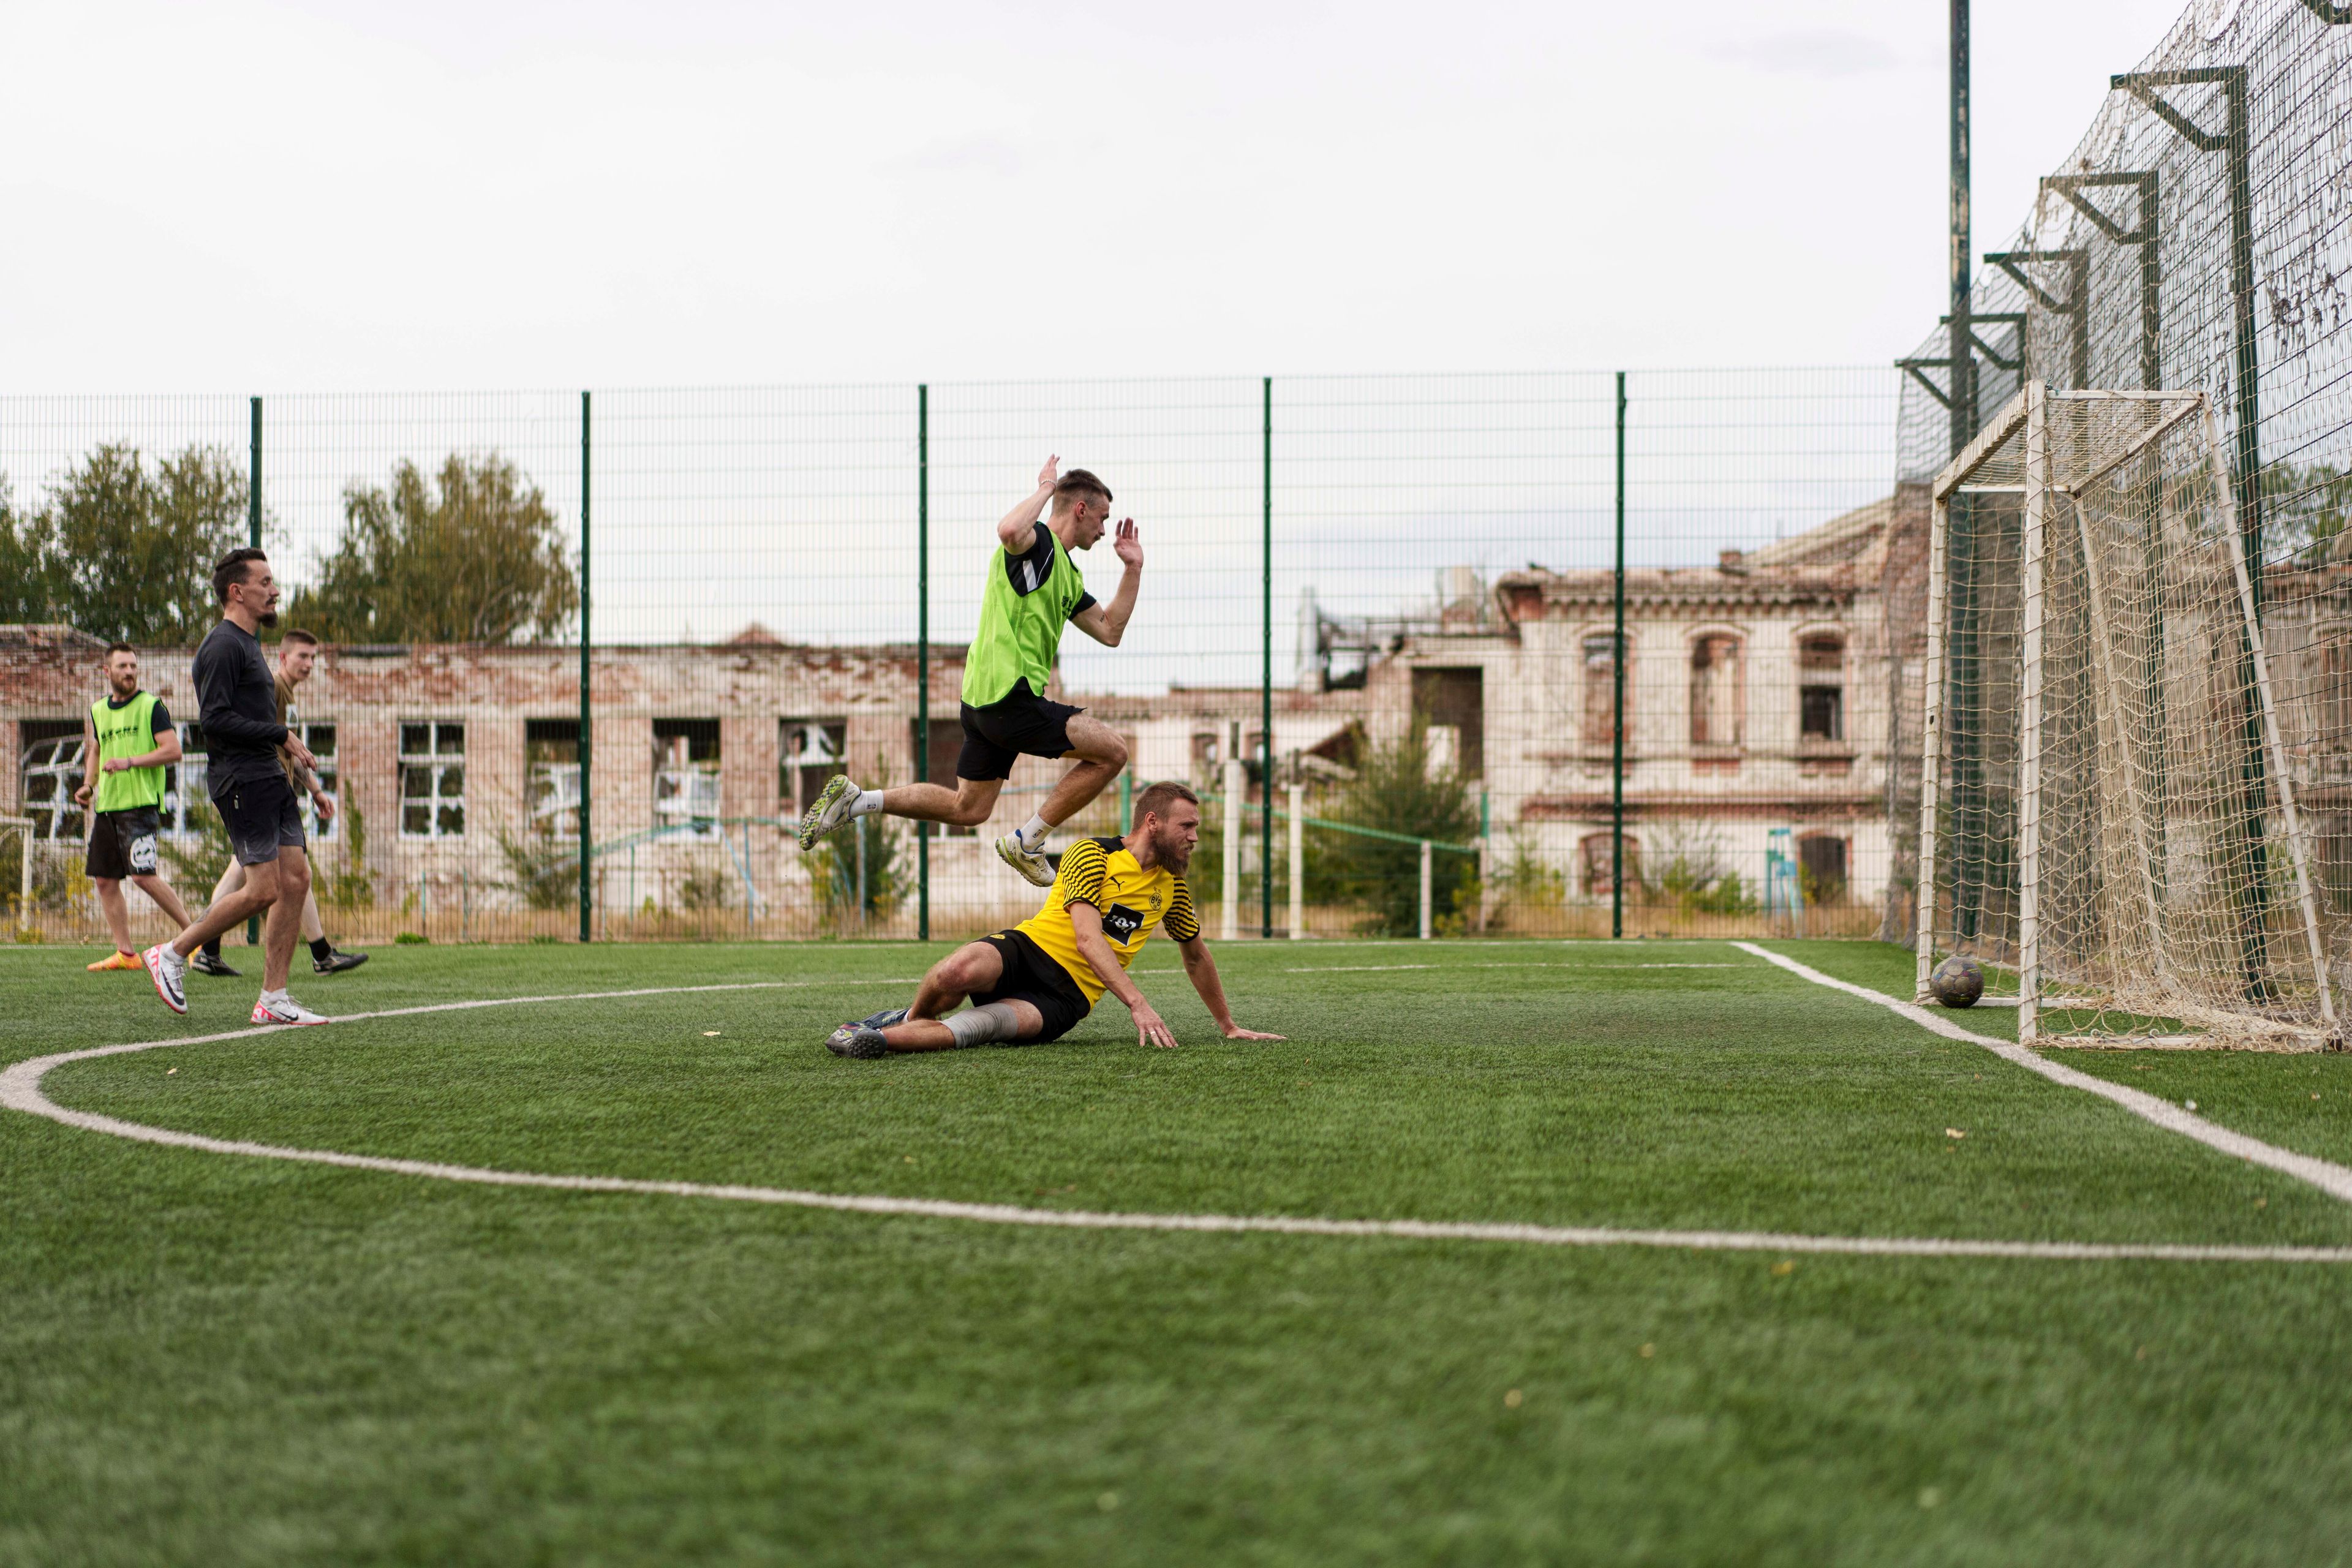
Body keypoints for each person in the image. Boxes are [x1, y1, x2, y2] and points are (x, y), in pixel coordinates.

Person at [797, 456, 1142, 886]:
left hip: (982, 702)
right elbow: (1009, 532)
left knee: (970, 809)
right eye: (1102, 518)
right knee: (1113, 752)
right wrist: (1046, 488)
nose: (1105, 530)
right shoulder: (1038, 544)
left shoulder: (1066, 573)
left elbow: (1110, 631)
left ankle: (855, 802)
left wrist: (1133, 570)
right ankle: (1029, 842)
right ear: (1081, 510)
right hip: (1010, 698)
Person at [823, 780, 1283, 1058]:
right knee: (954, 972)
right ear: (1153, 822)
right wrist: (1138, 1005)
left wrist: (1228, 1025)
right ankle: (904, 1019)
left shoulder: (1172, 888)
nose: (1195, 837)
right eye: (1188, 826)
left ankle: (874, 1042)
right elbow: (1086, 938)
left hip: (1066, 998)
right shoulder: (1091, 854)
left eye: (1196, 828)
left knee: (984, 1029)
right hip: (1026, 951)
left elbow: (1197, 958)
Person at [141, 548, 328, 1025]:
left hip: (269, 777)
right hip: (241, 779)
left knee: (297, 879)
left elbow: (255, 720)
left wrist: (299, 772)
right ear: (237, 591)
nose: (276, 591)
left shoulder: (249, 646)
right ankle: (173, 953)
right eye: (266, 583)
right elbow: (215, 721)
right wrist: (279, 734)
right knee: (264, 888)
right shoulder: (222, 646)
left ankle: (274, 998)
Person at [190, 628, 366, 979]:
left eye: (314, 657)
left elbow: (291, 750)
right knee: (280, 874)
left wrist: (315, 791)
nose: (309, 663)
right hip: (260, 790)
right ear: (283, 658)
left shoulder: (288, 695)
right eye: (302, 656)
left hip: (275, 790)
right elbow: (263, 736)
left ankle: (211, 952)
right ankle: (195, 948)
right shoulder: (272, 687)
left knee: (288, 873)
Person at [73, 643, 196, 971]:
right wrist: (88, 785)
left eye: (133, 666)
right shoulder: (99, 710)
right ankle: (127, 954)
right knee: (104, 880)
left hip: (140, 806)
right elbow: (97, 750)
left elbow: (173, 751)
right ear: (107, 671)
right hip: (107, 807)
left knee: (144, 877)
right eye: (123, 666)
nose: (129, 672)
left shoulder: (151, 706)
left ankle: (194, 937)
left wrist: (131, 762)